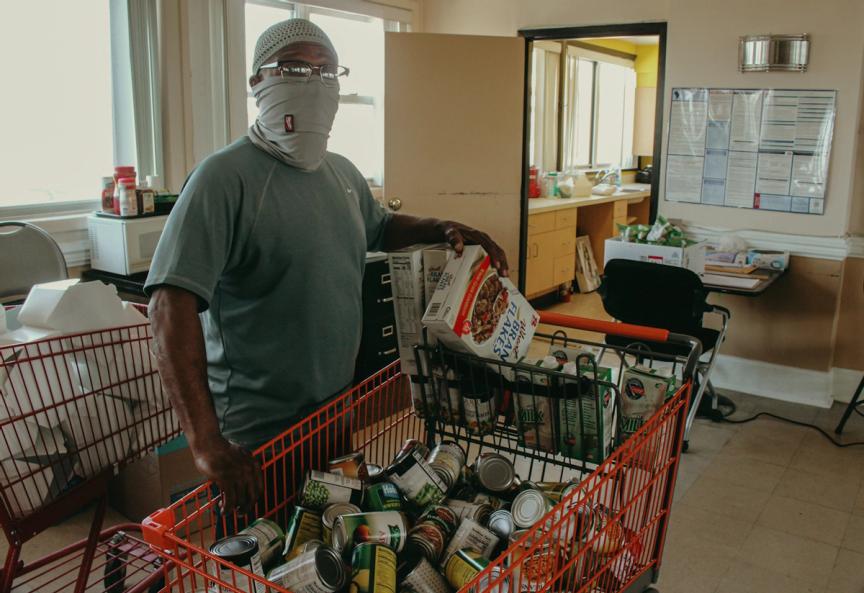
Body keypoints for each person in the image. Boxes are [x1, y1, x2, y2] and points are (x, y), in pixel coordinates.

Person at [145, 19, 508, 512]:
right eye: (295, 67)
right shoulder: (223, 179)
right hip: (260, 433)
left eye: (328, 71)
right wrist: (206, 444)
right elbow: (170, 308)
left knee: (328, 549)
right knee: (264, 559)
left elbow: (379, 227)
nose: (315, 82)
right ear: (258, 83)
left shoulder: (341, 173)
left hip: (334, 415)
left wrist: (440, 226)